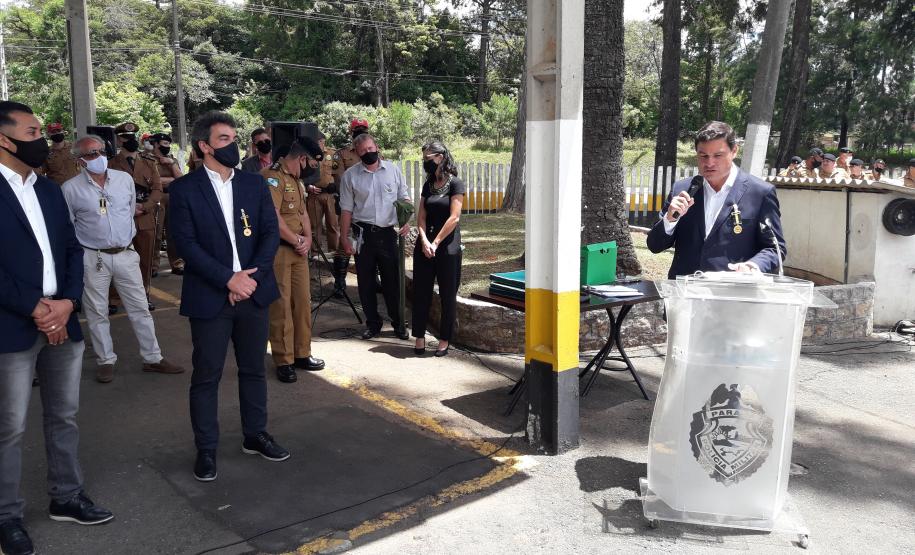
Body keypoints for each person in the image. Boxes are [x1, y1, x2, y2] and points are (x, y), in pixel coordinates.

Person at [0, 101, 113, 555]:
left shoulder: (48, 190)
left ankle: (66, 496)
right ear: (4, 139)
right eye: (30, 131)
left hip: (63, 318)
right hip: (12, 325)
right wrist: (35, 308)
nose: (40, 140)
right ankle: (7, 515)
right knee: (9, 426)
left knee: (63, 416)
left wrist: (66, 303)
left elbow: (72, 248)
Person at [168, 111, 287, 482]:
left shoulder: (255, 185)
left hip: (254, 291)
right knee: (207, 375)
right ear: (204, 146)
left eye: (234, 138)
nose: (232, 146)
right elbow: (185, 243)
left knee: (253, 369)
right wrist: (228, 279)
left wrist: (250, 280)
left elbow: (269, 233)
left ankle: (255, 434)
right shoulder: (184, 189)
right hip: (211, 296)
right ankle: (206, 449)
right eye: (223, 139)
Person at [61, 135, 184, 383]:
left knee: (140, 308)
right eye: (90, 154)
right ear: (80, 160)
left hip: (125, 253)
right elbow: (68, 226)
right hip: (93, 257)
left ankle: (153, 358)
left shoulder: (123, 180)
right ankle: (105, 361)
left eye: (100, 151)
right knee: (97, 312)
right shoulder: (70, 189)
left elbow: (129, 212)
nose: (98, 158)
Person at [646, 121, 786, 278]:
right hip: (684, 293)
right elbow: (654, 245)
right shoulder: (682, 190)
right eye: (703, 155)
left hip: (732, 294)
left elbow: (775, 249)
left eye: (718, 155)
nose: (709, 163)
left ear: (734, 151)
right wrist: (669, 220)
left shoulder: (760, 193)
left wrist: (752, 266)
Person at [260, 138, 326, 383]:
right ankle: (284, 359)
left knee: (302, 303)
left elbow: (302, 213)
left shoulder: (296, 180)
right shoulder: (272, 177)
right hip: (279, 250)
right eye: (309, 162)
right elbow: (272, 217)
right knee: (281, 306)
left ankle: (301, 353)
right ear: (301, 158)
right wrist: (297, 241)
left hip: (299, 251)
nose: (311, 169)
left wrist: (307, 239)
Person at [339, 133, 412, 340]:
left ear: (377, 147)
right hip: (363, 236)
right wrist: (344, 238)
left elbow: (404, 198)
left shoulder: (393, 170)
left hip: (388, 234)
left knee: (393, 282)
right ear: (356, 153)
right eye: (363, 151)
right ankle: (373, 323)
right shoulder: (350, 176)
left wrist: (406, 221)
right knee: (366, 283)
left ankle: (398, 323)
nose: (368, 153)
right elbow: (346, 210)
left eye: (371, 149)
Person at [412, 142, 464, 357]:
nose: (426, 162)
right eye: (424, 158)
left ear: (441, 157)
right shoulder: (428, 184)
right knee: (421, 292)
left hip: (447, 246)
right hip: (425, 245)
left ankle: (444, 339)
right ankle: (419, 337)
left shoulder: (456, 184)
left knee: (447, 294)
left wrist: (435, 242)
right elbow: (421, 216)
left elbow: (454, 217)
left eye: (429, 158)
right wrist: (424, 239)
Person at [108, 122, 163, 310]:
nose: (130, 141)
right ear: (119, 139)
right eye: (125, 137)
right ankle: (114, 299)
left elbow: (157, 189)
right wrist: (129, 209)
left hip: (145, 218)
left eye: (132, 137)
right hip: (121, 219)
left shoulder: (148, 162)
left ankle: (143, 295)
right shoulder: (111, 164)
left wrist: (145, 206)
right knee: (117, 259)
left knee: (145, 259)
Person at [330, 118, 371, 296]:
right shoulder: (341, 154)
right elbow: (339, 180)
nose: (360, 132)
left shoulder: (373, 150)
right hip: (348, 204)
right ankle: (340, 281)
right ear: (351, 132)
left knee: (369, 242)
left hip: (368, 206)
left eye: (363, 129)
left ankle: (373, 279)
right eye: (357, 129)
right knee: (344, 242)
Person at [150, 133, 185, 276]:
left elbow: (180, 179)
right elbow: (151, 180)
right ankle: (153, 266)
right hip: (156, 197)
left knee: (174, 232)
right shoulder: (147, 159)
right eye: (164, 143)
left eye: (168, 144)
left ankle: (177, 264)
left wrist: (170, 165)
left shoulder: (172, 159)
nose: (167, 146)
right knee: (156, 232)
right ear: (156, 144)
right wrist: (169, 179)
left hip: (172, 197)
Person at [305, 131, 340, 254]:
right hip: (314, 194)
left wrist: (336, 187)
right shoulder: (307, 155)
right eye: (317, 142)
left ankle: (334, 252)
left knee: (333, 225)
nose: (320, 144)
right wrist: (307, 186)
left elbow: (339, 173)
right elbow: (300, 174)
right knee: (314, 226)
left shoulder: (332, 154)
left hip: (330, 194)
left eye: (321, 141)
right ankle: (315, 253)